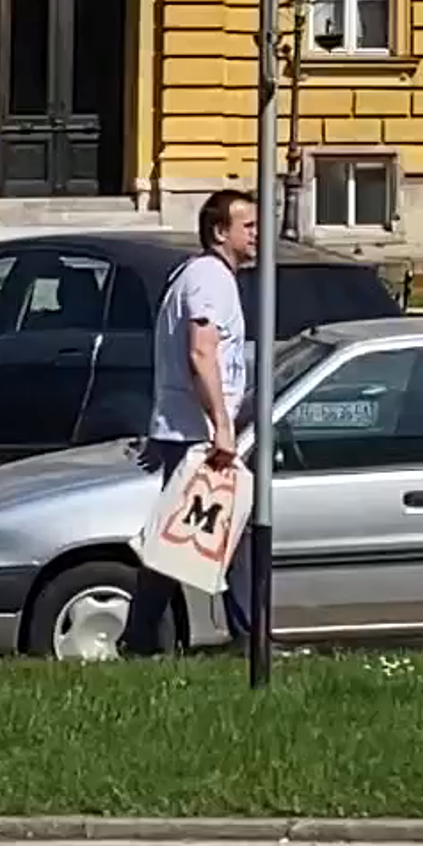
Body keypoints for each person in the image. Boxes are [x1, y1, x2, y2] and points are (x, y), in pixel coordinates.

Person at [146, 185, 259, 647]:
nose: (256, 235)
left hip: (188, 432)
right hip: (200, 437)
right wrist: (223, 427)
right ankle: (253, 641)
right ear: (219, 231)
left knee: (176, 544)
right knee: (234, 533)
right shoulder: (210, 278)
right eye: (247, 226)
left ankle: (141, 636)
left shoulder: (198, 275)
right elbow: (201, 351)